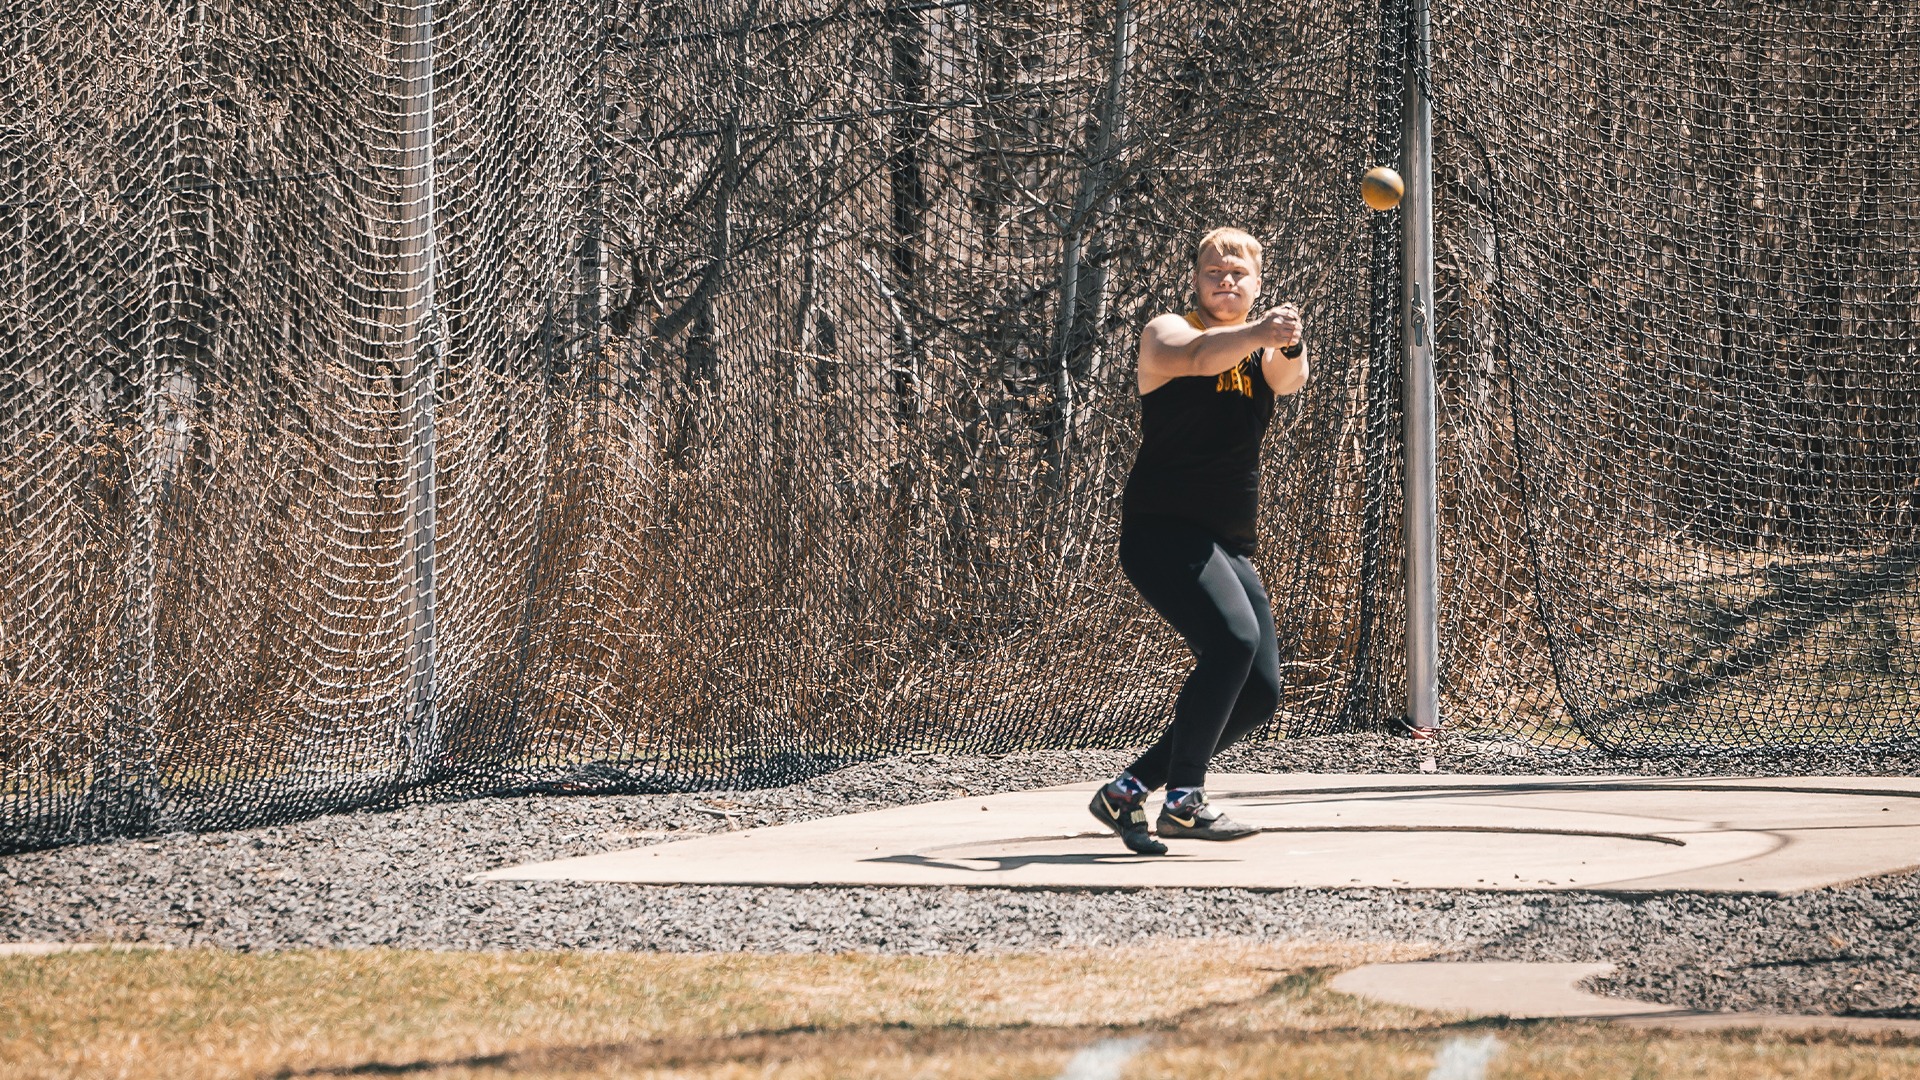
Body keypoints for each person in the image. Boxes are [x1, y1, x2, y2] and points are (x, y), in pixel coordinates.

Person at [1088, 227, 1307, 855]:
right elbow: (1202, 358)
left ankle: (1127, 792)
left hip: (1226, 542)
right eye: (1215, 271)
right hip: (1162, 529)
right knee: (1231, 641)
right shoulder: (1166, 332)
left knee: (1260, 692)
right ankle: (1184, 799)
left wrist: (1285, 342)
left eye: (1239, 273)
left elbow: (1286, 379)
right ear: (1196, 279)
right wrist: (1261, 332)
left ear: (1258, 284)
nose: (1226, 281)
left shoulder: (1262, 345)